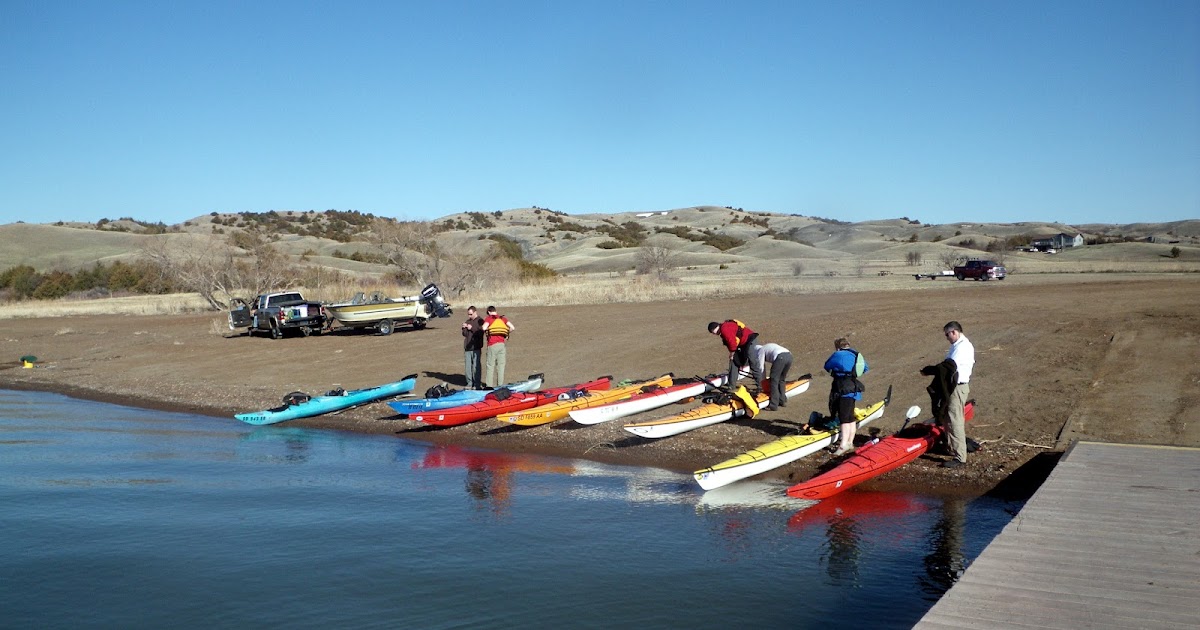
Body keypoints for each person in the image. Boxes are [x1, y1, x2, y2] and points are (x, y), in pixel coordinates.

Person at [924, 321, 974, 468]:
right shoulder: (957, 346)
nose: (947, 338)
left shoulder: (963, 347)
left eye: (947, 335)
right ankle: (953, 448)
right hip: (952, 387)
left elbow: (948, 367)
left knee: (955, 420)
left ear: (954, 332)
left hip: (957, 388)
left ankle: (960, 457)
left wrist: (930, 370)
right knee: (947, 418)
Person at [824, 337, 868, 456]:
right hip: (854, 388)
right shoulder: (857, 354)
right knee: (850, 416)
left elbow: (827, 366)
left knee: (843, 417)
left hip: (842, 388)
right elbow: (865, 368)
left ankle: (843, 445)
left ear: (838, 346)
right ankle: (850, 442)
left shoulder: (837, 354)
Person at [708, 320, 762, 390]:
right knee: (734, 362)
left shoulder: (724, 329)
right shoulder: (723, 330)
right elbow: (730, 344)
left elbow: (732, 342)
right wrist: (733, 355)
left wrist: (732, 353)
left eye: (713, 332)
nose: (714, 334)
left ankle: (761, 386)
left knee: (753, 362)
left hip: (749, 340)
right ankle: (731, 386)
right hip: (742, 344)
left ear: (715, 329)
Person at [752, 342, 793, 411]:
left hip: (780, 358)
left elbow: (761, 367)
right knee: (781, 379)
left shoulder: (761, 350)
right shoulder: (767, 347)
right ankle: (782, 400)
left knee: (773, 381)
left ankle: (773, 405)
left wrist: (763, 381)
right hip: (789, 356)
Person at [481, 306, 514, 388]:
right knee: (501, 366)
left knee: (490, 365)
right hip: (502, 345)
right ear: (495, 311)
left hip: (492, 345)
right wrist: (506, 333)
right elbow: (512, 327)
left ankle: (489, 386)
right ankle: (500, 385)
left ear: (489, 312)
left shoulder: (489, 318)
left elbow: (484, 327)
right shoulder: (503, 319)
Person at [460, 306, 485, 389]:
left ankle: (477, 383)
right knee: (468, 367)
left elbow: (481, 333)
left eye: (471, 314)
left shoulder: (480, 321)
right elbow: (464, 334)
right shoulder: (468, 321)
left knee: (476, 366)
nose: (469, 316)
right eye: (468, 314)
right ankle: (469, 383)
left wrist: (472, 328)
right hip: (467, 347)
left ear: (475, 312)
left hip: (476, 347)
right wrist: (464, 328)